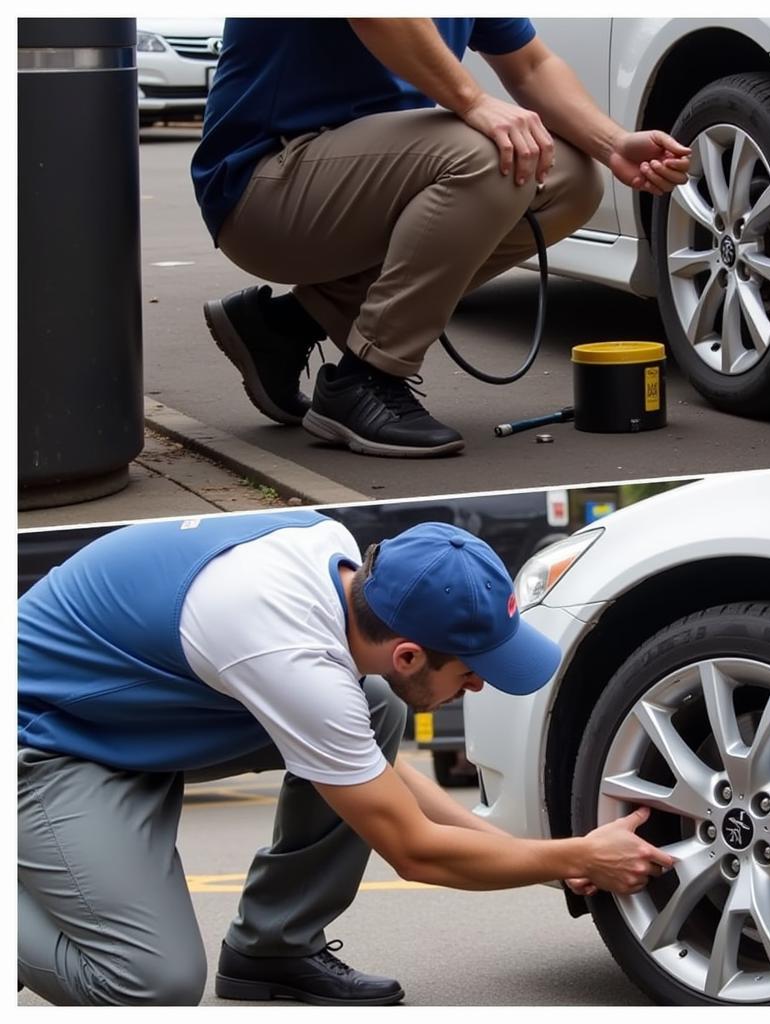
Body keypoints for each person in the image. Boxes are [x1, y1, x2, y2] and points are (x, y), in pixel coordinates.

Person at [18, 511, 673, 1006]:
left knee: (375, 710)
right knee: (150, 985)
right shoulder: (290, 655)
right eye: (473, 671)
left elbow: (382, 783)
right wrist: (570, 859)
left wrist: (553, 855)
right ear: (409, 655)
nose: (478, 685)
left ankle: (272, 950)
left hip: (134, 710)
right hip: (48, 736)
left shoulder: (338, 563)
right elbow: (414, 851)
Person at [191, 18, 690, 458]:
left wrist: (613, 143)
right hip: (265, 183)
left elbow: (532, 65)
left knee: (572, 180)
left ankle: (287, 326)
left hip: (353, 180)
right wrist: (474, 102)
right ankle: (368, 378)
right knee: (491, 157)